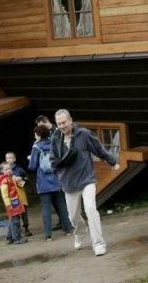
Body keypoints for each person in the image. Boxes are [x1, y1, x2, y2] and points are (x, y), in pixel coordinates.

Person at [51, 109, 120, 257]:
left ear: (70, 120)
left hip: (86, 179)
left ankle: (99, 244)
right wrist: (59, 174)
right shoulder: (55, 138)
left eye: (64, 122)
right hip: (68, 183)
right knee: (73, 216)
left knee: (90, 209)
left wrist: (112, 162)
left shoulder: (84, 134)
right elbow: (53, 161)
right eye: (59, 124)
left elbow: (99, 149)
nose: (62, 126)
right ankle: (80, 231)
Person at [28, 124, 73, 241]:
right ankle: (68, 229)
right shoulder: (54, 144)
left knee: (46, 208)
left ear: (38, 135)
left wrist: (30, 159)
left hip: (43, 182)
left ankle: (48, 235)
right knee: (62, 205)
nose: (34, 136)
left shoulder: (36, 147)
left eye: (35, 134)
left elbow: (32, 166)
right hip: (56, 179)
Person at [1, 152, 32, 238]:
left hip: (21, 195)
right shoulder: (3, 172)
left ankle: (26, 228)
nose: (9, 160)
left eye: (11, 158)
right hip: (12, 198)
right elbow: (1, 182)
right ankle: (13, 234)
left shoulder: (19, 169)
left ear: (14, 159)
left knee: (24, 212)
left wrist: (21, 180)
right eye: (7, 158)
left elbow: (27, 178)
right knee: (14, 215)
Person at [0, 162, 27, 244]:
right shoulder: (4, 180)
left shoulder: (10, 178)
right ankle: (17, 238)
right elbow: (4, 194)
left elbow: (18, 185)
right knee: (15, 221)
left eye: (9, 168)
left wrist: (18, 179)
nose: (8, 170)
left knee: (12, 220)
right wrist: (8, 204)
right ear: (2, 171)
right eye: (6, 169)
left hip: (15, 202)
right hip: (11, 203)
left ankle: (9, 237)